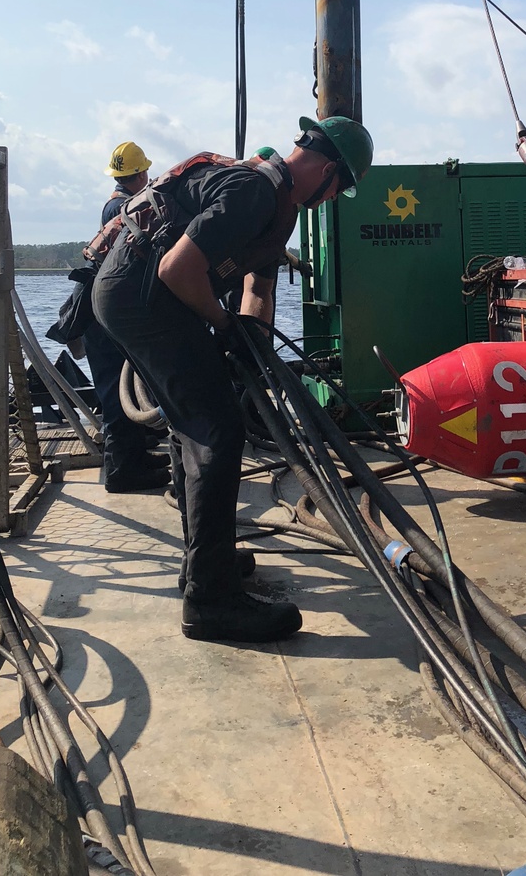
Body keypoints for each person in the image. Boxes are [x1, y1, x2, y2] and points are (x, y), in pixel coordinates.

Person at [91, 115, 374, 643]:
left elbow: (257, 294)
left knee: (197, 425)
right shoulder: (253, 190)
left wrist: (255, 354)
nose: (336, 198)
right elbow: (177, 269)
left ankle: (206, 562)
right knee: (217, 432)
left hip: (137, 297)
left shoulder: (280, 209)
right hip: (142, 297)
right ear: (329, 169)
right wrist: (224, 327)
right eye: (341, 189)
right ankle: (211, 601)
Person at [85, 142, 172, 493]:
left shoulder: (113, 205)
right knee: (115, 393)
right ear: (140, 175)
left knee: (127, 387)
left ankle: (135, 456)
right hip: (106, 313)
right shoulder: (127, 208)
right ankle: (121, 471)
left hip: (105, 307)